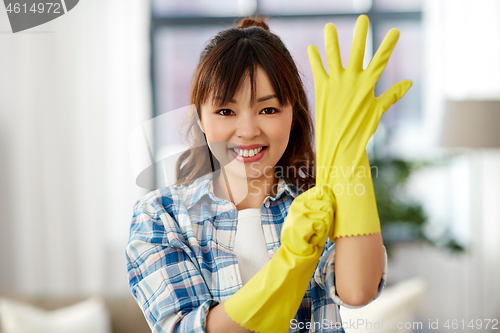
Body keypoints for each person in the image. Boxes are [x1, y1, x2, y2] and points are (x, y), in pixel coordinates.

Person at [126, 15, 410, 333]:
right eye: (225, 111)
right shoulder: (162, 215)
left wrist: (350, 148)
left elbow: (359, 291)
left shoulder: (318, 202)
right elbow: (185, 329)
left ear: (293, 115)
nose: (247, 131)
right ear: (200, 118)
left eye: (268, 109)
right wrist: (290, 262)